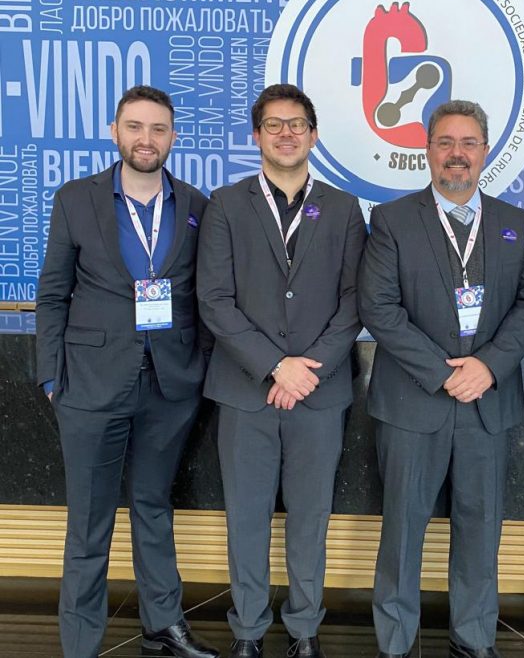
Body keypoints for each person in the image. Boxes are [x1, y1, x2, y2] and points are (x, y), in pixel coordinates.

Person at [358, 100, 524, 658]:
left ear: (485, 151)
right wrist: (444, 374)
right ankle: (395, 643)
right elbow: (379, 307)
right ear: (427, 150)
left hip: (487, 403)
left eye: (468, 143)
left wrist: (487, 366)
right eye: (445, 142)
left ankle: (474, 639)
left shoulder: (515, 223)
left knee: (481, 528)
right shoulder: (391, 220)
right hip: (413, 402)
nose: (456, 153)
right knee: (402, 531)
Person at [35, 86, 217, 658]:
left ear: (173, 137)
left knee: (154, 507)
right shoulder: (76, 199)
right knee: (89, 522)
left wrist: (197, 367)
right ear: (114, 132)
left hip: (170, 384)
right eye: (134, 127)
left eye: (158, 129)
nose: (146, 139)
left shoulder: (196, 205)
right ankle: (81, 642)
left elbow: (205, 296)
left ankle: (164, 625)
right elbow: (53, 294)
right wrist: (51, 379)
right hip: (89, 385)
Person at [197, 83, 367, 658]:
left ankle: (304, 629)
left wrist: (306, 370)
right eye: (274, 124)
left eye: (297, 124)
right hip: (247, 390)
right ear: (256, 136)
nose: (286, 134)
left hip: (319, 392)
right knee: (246, 517)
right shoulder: (226, 204)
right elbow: (214, 299)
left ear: (313, 135)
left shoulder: (343, 208)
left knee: (309, 518)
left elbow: (355, 301)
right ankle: (247, 630)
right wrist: (275, 366)